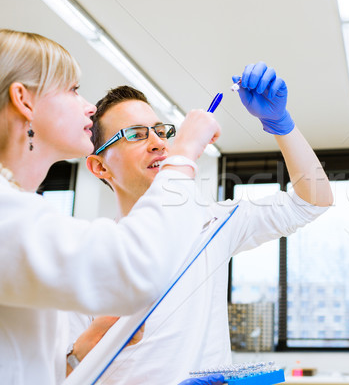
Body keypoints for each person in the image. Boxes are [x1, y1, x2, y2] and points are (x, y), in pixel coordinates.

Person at [69, 62, 333, 384]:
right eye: (135, 135)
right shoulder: (89, 255)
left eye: (161, 131)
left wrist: (280, 124)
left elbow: (312, 201)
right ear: (100, 167)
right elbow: (62, 370)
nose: (158, 143)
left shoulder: (212, 223)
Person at [0, 28, 224, 385]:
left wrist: (78, 357)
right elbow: (135, 269)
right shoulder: (6, 214)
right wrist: (182, 155)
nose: (89, 106)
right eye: (72, 90)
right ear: (24, 101)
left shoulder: (23, 208)